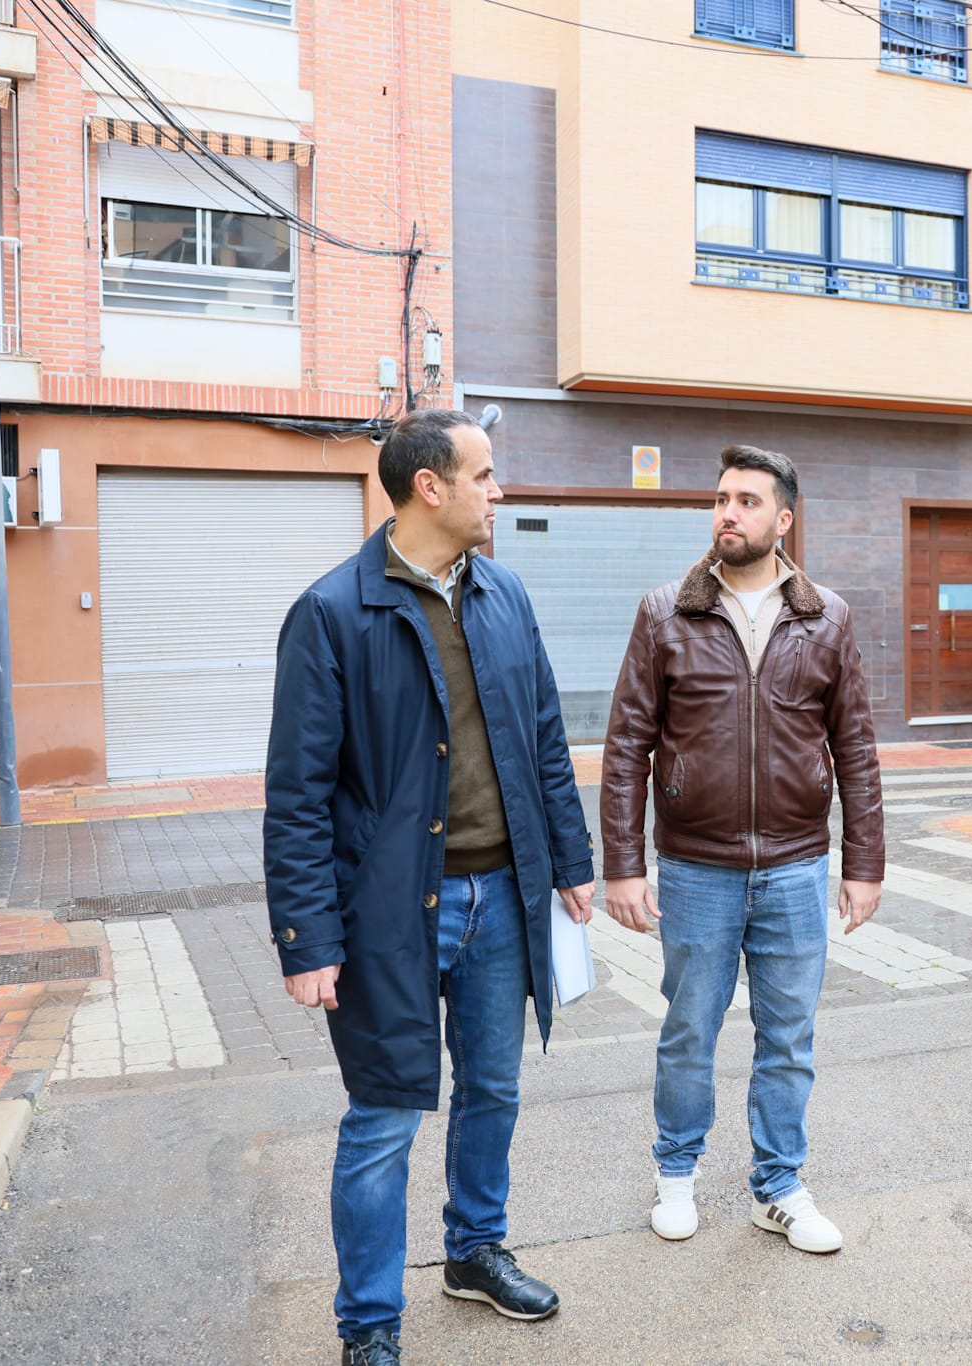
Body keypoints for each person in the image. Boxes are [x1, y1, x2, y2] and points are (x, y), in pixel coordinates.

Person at [264, 409, 596, 1365]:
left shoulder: (504, 594)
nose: (500, 491)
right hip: (388, 914)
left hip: (504, 899)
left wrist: (571, 860)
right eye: (485, 475)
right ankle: (369, 1323)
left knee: (492, 1088)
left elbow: (543, 737)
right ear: (430, 487)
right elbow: (298, 794)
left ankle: (474, 1250)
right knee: (383, 1114)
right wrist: (307, 939)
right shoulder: (333, 612)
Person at [602, 445, 885, 1255]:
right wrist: (624, 864)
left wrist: (864, 863)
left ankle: (779, 1187)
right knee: (689, 1029)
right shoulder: (666, 613)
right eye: (722, 498)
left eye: (748, 501)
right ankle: (677, 1172)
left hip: (796, 864)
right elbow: (627, 744)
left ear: (783, 519)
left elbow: (856, 747)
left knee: (788, 1037)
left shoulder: (826, 617)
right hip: (696, 866)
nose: (728, 512)